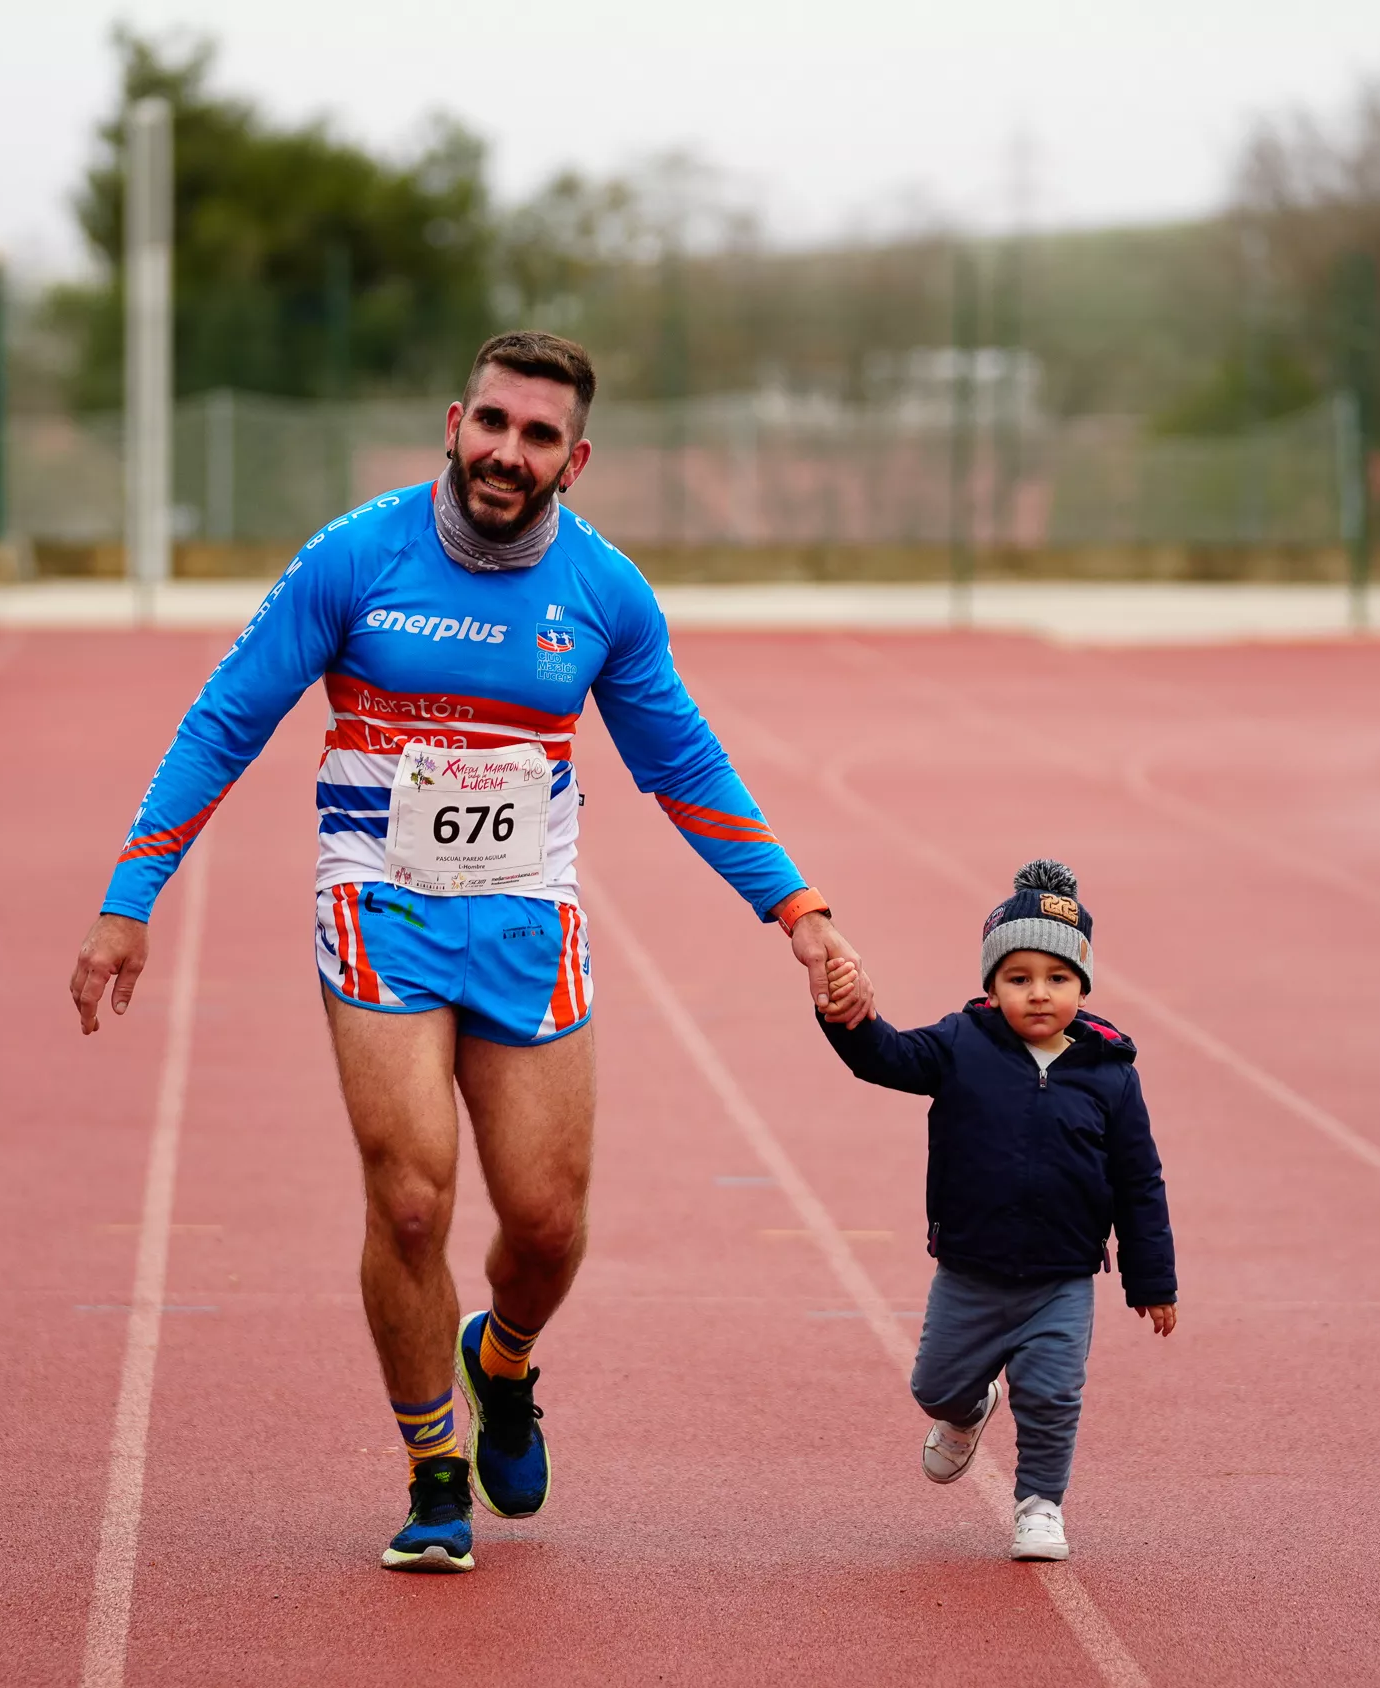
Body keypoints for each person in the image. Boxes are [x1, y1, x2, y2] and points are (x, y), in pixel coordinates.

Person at [67, 330, 873, 1574]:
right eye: (492, 423)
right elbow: (229, 715)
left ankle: (499, 1361)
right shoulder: (356, 556)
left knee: (546, 1223)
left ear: (577, 458)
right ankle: (433, 1465)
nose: (508, 451)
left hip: (525, 919)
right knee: (410, 1193)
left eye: (539, 435)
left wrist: (798, 910)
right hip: (377, 905)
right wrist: (135, 889)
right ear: (453, 421)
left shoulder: (607, 593)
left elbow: (685, 765)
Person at [814, 860, 1173, 1562]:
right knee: (935, 1386)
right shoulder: (960, 1045)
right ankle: (969, 1411)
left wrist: (1152, 1279)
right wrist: (846, 1014)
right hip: (970, 1273)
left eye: (1057, 978)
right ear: (992, 984)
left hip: (1062, 1278)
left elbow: (1140, 1180)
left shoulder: (1109, 1074)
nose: (1039, 994)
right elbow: (882, 1057)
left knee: (1051, 1395)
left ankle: (1040, 1504)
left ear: (1082, 984)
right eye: (1019, 978)